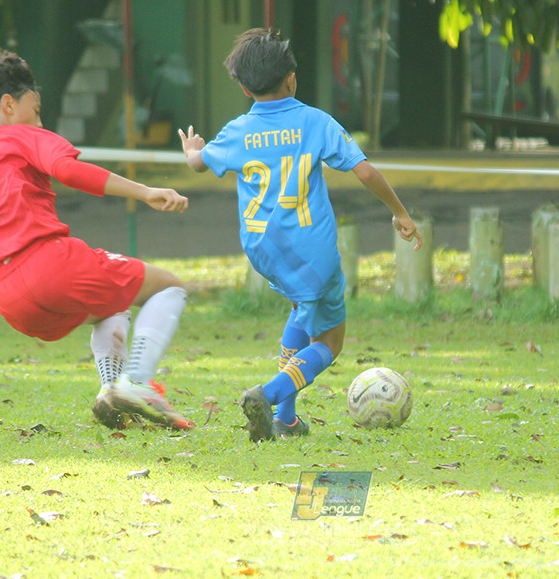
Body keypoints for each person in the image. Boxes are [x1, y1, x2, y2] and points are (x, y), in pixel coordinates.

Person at [178, 28, 422, 442]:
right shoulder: (314, 121)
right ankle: (270, 394)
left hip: (263, 248)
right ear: (292, 77)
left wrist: (191, 151)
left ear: (242, 86)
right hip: (312, 249)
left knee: (300, 309)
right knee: (331, 338)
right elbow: (363, 170)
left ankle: (286, 421)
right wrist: (399, 211)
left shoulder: (238, 130)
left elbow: (200, 163)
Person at [0, 50, 193, 431]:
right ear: (9, 104)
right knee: (169, 288)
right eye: (35, 108)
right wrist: (145, 191)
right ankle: (138, 384)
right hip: (46, 265)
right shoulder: (22, 134)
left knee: (113, 304)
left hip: (9, 298)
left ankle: (111, 390)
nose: (40, 119)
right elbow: (68, 169)